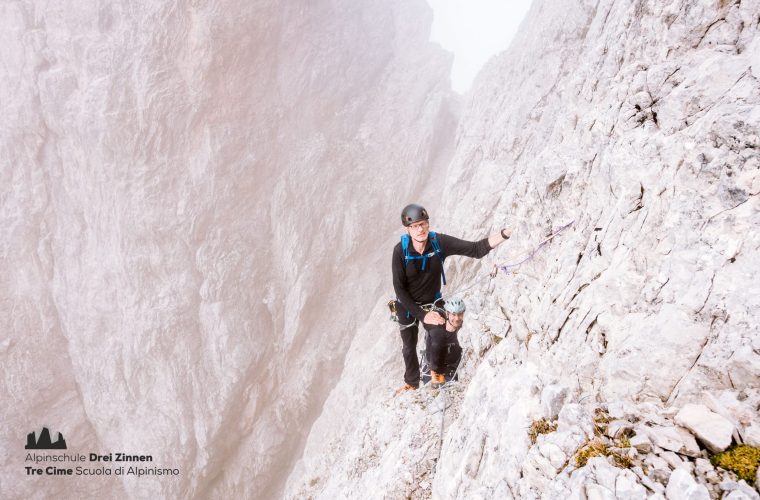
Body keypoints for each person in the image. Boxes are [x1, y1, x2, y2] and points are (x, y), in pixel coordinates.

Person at [392, 203, 512, 395]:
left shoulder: (438, 243)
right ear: (408, 230)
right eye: (415, 226)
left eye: (423, 224)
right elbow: (399, 288)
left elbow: (475, 249)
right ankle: (412, 383)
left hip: (432, 301)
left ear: (428, 224)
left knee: (439, 335)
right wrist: (422, 315)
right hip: (407, 305)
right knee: (408, 345)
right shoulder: (400, 251)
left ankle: (437, 374)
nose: (420, 229)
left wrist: (505, 234)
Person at [426, 296, 466, 388]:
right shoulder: (436, 330)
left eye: (460, 314)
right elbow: (430, 355)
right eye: (453, 314)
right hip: (434, 374)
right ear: (447, 314)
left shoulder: (464, 330)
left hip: (452, 372)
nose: (457, 318)